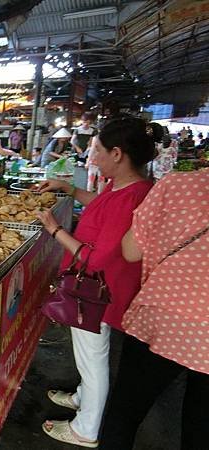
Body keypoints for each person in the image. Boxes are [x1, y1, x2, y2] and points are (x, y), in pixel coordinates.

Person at [35, 117, 157, 448]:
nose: (95, 157)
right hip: (98, 286)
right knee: (88, 354)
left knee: (93, 360)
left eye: (98, 151)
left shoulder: (132, 196)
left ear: (117, 153)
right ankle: (82, 399)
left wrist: (55, 230)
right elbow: (100, 207)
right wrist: (69, 189)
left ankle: (85, 429)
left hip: (98, 291)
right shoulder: (125, 187)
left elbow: (95, 258)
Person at [98, 169, 209, 450]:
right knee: (201, 429)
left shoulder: (179, 185)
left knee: (124, 415)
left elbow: (131, 251)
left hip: (169, 314)